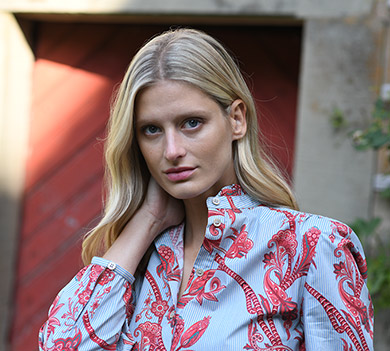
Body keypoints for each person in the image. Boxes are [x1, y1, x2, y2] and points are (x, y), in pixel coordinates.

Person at [39, 28, 373, 350]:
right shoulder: (141, 260)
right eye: (152, 129)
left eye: (191, 123)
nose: (171, 151)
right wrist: (148, 220)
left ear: (237, 120)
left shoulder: (312, 247)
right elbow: (62, 346)